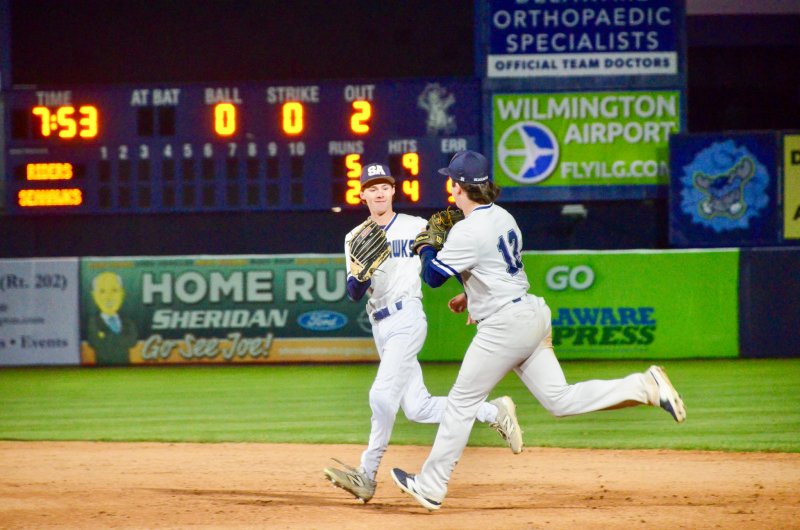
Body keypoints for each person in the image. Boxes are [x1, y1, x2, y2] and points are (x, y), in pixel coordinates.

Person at [390, 150, 687, 511]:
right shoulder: (503, 216)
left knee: (461, 404)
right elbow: (499, 269)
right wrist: (470, 297)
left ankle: (431, 486)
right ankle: (646, 387)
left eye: (451, 179)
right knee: (560, 399)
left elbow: (433, 277)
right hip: (529, 312)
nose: (448, 186)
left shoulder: (468, 230)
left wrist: (424, 246)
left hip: (505, 326)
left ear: (461, 187)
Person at [323, 162, 523, 504]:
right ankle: (494, 412)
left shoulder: (416, 226)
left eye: (384, 186)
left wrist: (473, 297)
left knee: (382, 395)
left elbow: (457, 259)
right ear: (362, 194)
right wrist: (361, 274)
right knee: (418, 408)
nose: (379, 192)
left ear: (393, 191)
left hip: (408, 317)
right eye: (372, 187)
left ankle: (366, 475)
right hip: (380, 325)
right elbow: (355, 293)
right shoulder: (353, 237)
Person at [87, 271, 138, 366]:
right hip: (101, 369)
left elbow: (132, 342)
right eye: (102, 291)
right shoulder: (93, 322)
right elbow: (95, 342)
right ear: (94, 296)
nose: (108, 297)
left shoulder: (128, 322)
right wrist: (120, 339)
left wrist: (106, 336)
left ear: (122, 294)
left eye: (114, 290)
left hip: (126, 369)